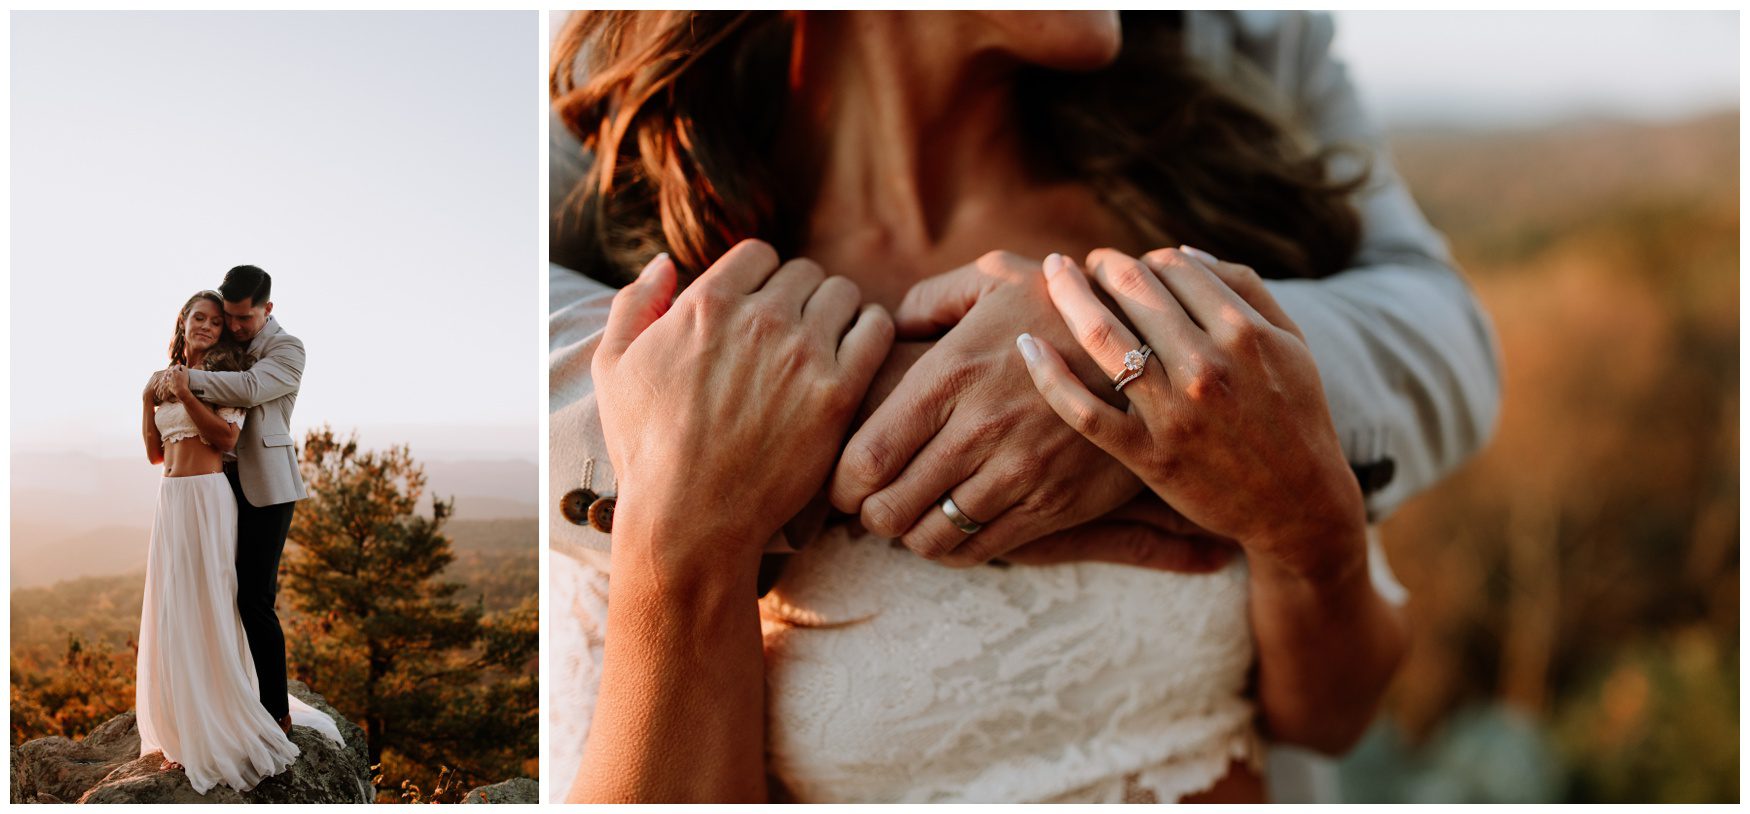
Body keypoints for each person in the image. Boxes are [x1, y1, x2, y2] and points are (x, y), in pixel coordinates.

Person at [547, 10, 1500, 803]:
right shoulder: (671, 300)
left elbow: (1330, 717)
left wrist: (1305, 523)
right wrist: (712, 503)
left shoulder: (1194, 205)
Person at [137, 290, 340, 794]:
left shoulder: (231, 371)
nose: (207, 326)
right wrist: (149, 398)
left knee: (222, 600)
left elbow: (226, 440)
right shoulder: (163, 376)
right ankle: (183, 721)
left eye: (215, 320)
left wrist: (186, 393)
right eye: (198, 317)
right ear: (182, 321)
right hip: (171, 501)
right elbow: (154, 455)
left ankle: (235, 713)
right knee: (174, 604)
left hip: (209, 498)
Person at [179, 265, 308, 733]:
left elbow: (252, 390)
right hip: (215, 484)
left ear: (267, 309)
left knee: (255, 598)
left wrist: (180, 381)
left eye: (243, 319)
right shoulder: (223, 345)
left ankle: (276, 712)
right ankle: (227, 694)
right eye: (227, 317)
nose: (234, 326)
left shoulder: (288, 348)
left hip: (267, 489)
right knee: (216, 590)